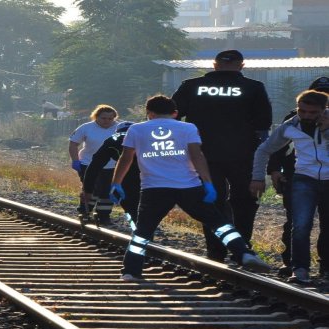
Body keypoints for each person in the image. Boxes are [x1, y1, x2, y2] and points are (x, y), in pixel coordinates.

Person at [110, 95, 270, 281]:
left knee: (143, 231)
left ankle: (131, 271)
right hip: (189, 186)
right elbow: (197, 156)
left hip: (154, 188)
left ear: (149, 114)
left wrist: (117, 183)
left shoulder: (136, 129)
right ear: (175, 113)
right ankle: (243, 253)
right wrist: (208, 183)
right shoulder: (187, 127)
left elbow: (126, 158)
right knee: (218, 223)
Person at [172, 49, 273, 263]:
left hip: (202, 155)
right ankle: (242, 248)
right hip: (243, 155)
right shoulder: (254, 88)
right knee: (244, 202)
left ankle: (215, 250)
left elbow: (171, 116)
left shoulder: (191, 86)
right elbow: (264, 125)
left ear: (214, 64)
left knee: (211, 201)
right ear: (242, 65)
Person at [251, 90, 329, 283]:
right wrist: (258, 177)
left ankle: (326, 269)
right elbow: (264, 149)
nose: (307, 116)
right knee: (301, 225)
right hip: (304, 179)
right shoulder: (291, 125)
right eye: (302, 111)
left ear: (323, 110)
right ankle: (300, 269)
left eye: (313, 113)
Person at [69, 104, 120, 226]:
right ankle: (85, 212)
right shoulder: (86, 128)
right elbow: (73, 144)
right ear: (96, 117)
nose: (106, 121)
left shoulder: (120, 128)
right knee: (91, 189)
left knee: (107, 191)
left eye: (110, 118)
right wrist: (75, 160)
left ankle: (104, 216)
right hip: (88, 163)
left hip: (112, 165)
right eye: (103, 118)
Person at [82, 121, 140, 222]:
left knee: (130, 206)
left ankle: (138, 228)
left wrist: (87, 190)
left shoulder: (113, 139)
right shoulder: (146, 136)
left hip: (128, 173)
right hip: (151, 172)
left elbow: (95, 166)